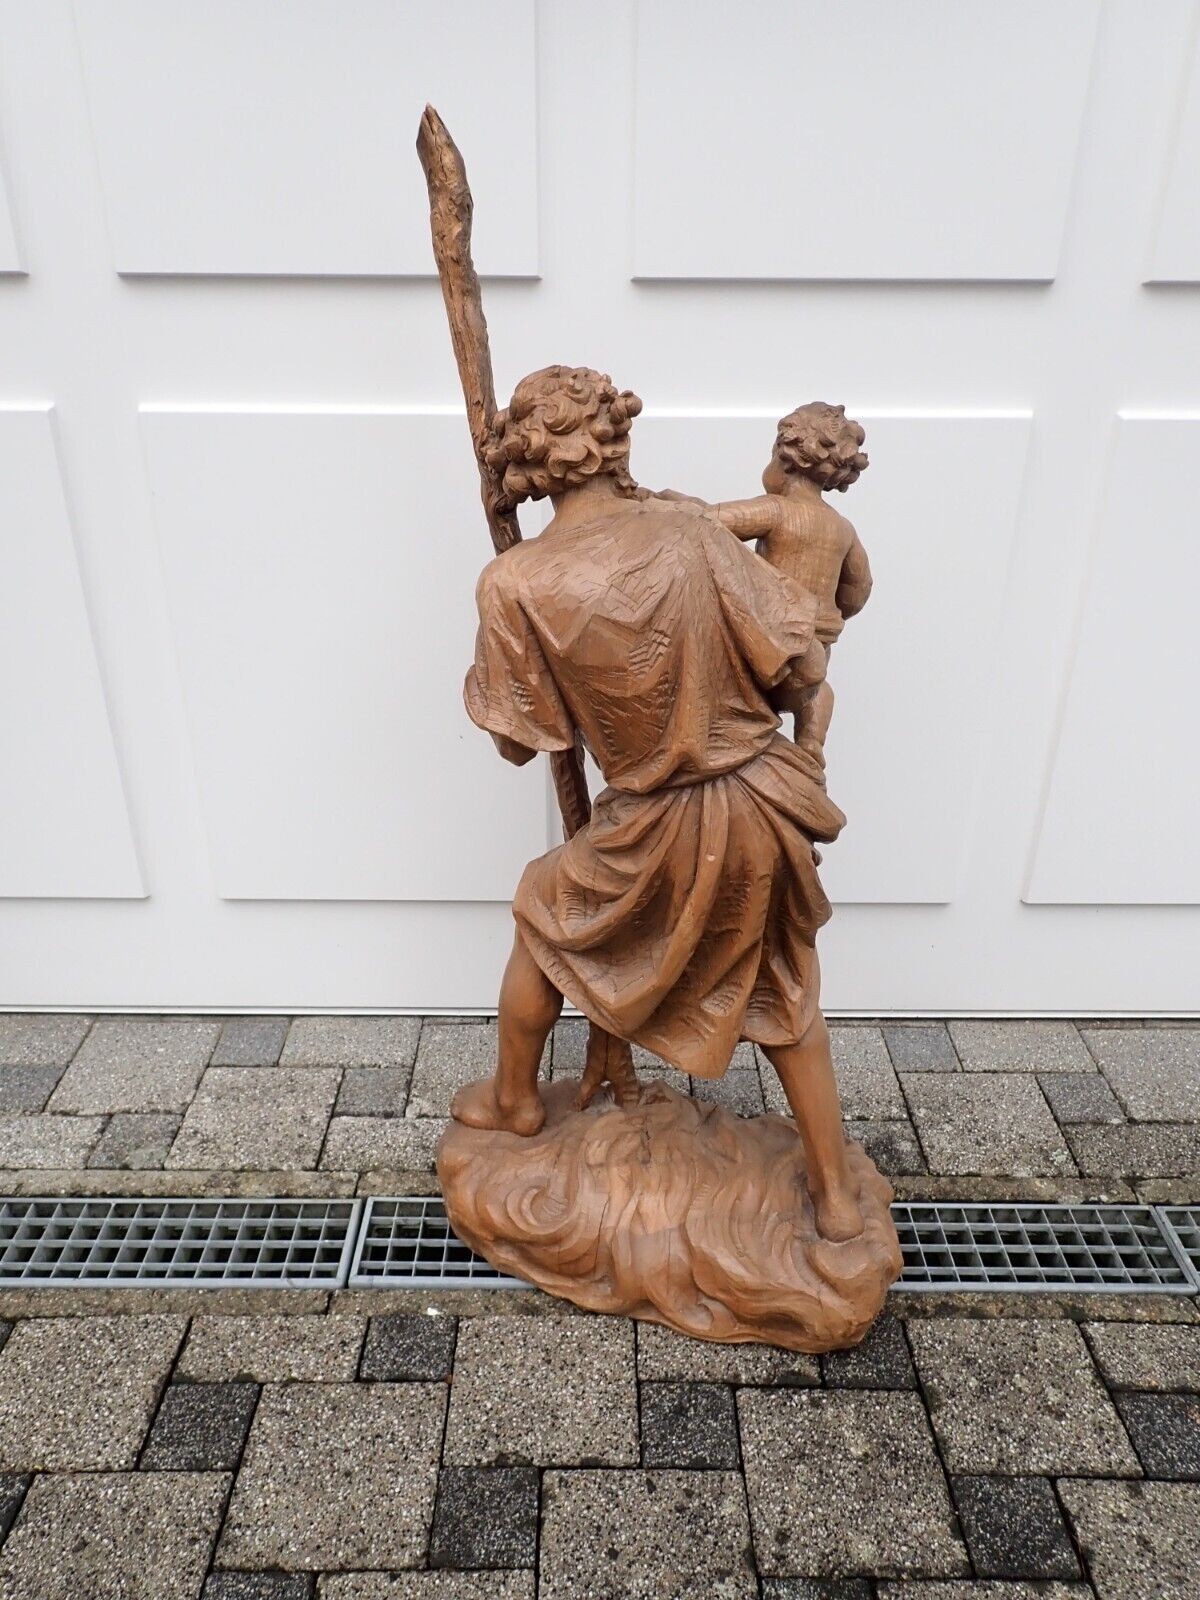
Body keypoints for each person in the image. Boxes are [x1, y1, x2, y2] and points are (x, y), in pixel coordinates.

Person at [454, 365, 864, 1241]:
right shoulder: (692, 532)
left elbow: (521, 740)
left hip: (653, 817)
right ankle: (833, 1194)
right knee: (786, 993)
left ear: (527, 463)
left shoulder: (515, 582)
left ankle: (515, 1100)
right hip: (762, 798)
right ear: (615, 440)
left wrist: (525, 654)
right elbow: (800, 664)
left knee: (541, 915)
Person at [712, 403, 872, 772]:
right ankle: (811, 742)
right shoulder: (843, 528)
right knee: (817, 689)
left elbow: (712, 520)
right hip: (818, 641)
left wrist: (668, 504)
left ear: (785, 460)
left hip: (775, 642)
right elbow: (859, 587)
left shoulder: (775, 509)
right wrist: (833, 613)